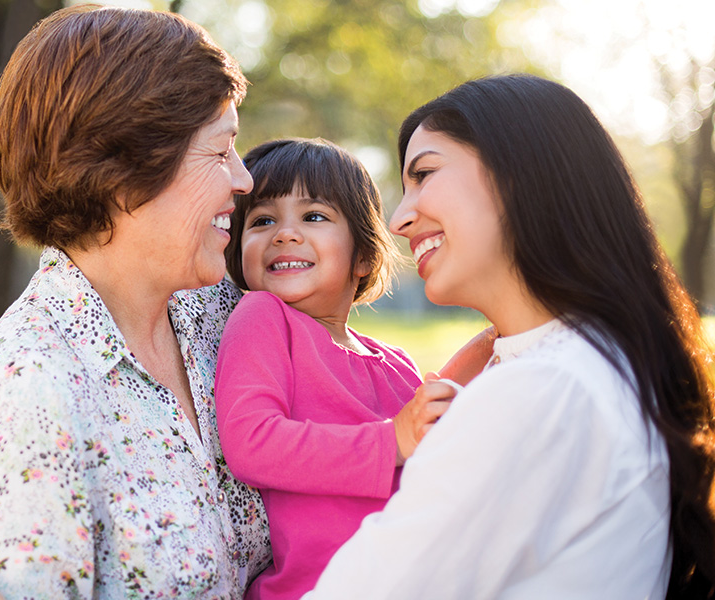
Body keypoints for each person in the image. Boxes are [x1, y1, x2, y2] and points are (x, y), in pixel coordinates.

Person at [304, 74, 715, 599]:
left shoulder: (544, 390)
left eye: (424, 174)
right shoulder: (597, 362)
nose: (401, 219)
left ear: (520, 172)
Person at [0, 6, 272, 598]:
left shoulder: (223, 316)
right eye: (220, 152)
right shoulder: (28, 383)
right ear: (124, 171)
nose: (244, 180)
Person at [214, 138, 457, 600]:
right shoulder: (264, 317)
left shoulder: (397, 363)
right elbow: (252, 442)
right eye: (263, 221)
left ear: (363, 255)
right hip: (315, 588)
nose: (284, 234)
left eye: (314, 216)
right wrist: (392, 441)